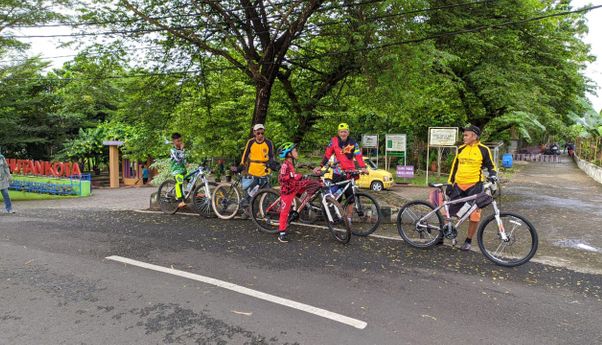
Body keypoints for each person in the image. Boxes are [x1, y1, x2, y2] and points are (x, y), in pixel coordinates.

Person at [447, 125, 497, 251]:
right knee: (448, 211)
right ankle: (444, 234)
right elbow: (454, 168)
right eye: (464, 135)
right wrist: (449, 183)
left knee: (474, 215)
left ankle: (468, 241)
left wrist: (493, 175)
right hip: (459, 185)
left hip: (475, 185)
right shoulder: (461, 149)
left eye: (466, 135)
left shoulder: (484, 149)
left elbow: (491, 166)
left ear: (474, 136)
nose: (463, 137)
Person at [313, 123, 368, 222]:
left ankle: (349, 218)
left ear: (348, 132)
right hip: (337, 173)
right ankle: (335, 216)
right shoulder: (333, 141)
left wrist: (363, 167)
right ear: (338, 132)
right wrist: (320, 166)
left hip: (350, 173)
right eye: (341, 132)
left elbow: (358, 155)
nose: (343, 133)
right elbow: (327, 155)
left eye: (345, 131)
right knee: (336, 196)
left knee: (350, 197)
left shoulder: (353, 142)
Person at [277, 142, 321, 243]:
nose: (297, 152)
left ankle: (302, 204)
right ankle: (282, 233)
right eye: (295, 151)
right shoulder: (285, 165)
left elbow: (298, 174)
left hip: (295, 186)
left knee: (315, 184)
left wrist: (305, 174)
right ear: (289, 154)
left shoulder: (292, 163)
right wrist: (293, 176)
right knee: (284, 212)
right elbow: (282, 178)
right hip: (287, 190)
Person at [235, 124, 276, 207]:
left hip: (264, 170)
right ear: (254, 132)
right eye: (258, 133)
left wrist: (272, 164)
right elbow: (245, 154)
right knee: (250, 192)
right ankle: (247, 211)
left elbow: (271, 156)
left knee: (266, 193)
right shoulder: (251, 142)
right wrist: (242, 164)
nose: (260, 135)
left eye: (262, 133)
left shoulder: (268, 143)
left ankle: (263, 211)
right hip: (252, 170)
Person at [170, 133, 187, 209]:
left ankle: (195, 193)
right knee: (179, 182)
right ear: (174, 141)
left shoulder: (181, 149)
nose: (180, 142)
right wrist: (182, 149)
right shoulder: (172, 150)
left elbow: (184, 158)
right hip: (176, 170)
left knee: (192, 177)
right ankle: (180, 201)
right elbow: (178, 159)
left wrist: (187, 163)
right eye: (178, 141)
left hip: (183, 169)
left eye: (181, 141)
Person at [0, 150, 15, 214]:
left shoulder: (1, 157)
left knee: (6, 194)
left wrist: (9, 176)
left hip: (3, 179)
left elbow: (6, 167)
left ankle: (9, 209)